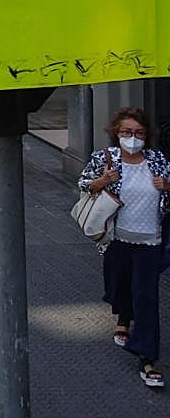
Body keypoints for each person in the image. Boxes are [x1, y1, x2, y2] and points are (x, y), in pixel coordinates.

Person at [77, 106, 170, 388]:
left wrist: (167, 186)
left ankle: (147, 356)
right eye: (127, 132)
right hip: (116, 238)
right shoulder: (106, 159)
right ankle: (123, 316)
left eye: (139, 133)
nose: (133, 138)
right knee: (119, 285)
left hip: (150, 240)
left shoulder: (157, 160)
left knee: (147, 297)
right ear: (116, 133)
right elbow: (83, 184)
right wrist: (103, 181)